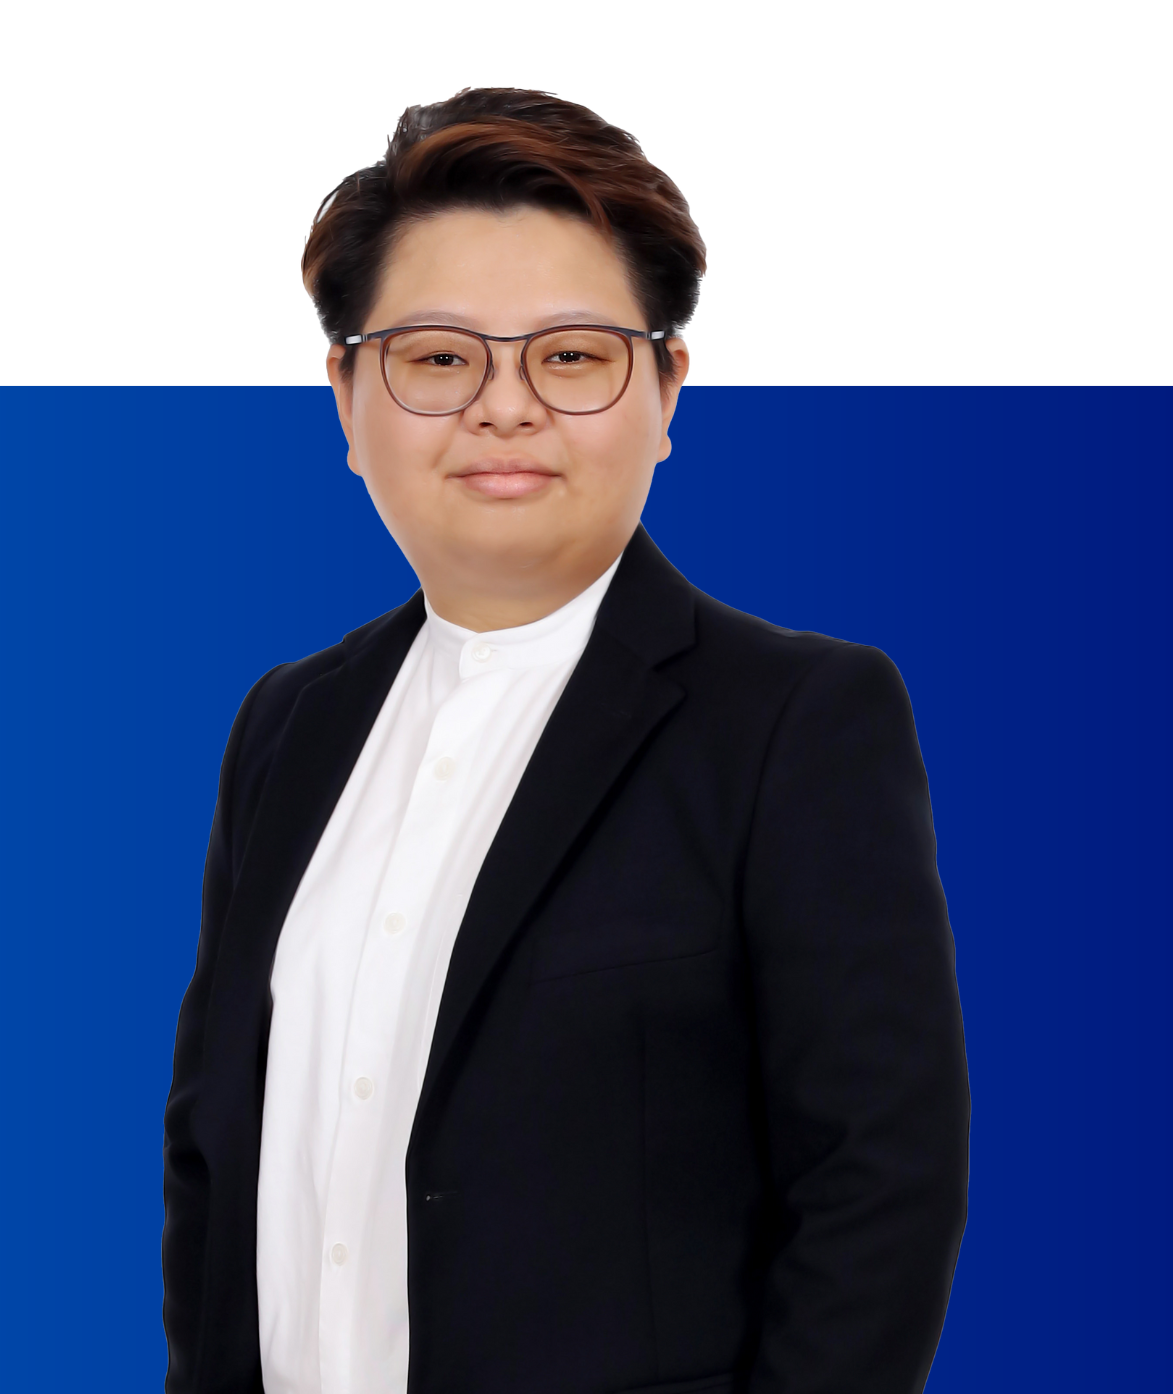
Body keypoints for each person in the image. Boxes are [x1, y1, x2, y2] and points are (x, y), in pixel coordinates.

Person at [162, 86, 970, 1394]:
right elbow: (213, 1155)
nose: (505, 407)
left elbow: (879, 1182)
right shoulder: (288, 723)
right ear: (347, 395)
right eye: (438, 358)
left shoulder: (793, 721)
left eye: (574, 356)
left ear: (667, 387)